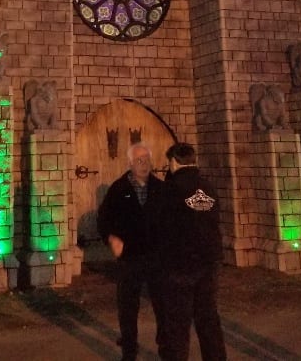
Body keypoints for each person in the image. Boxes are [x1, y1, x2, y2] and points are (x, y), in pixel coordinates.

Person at [147, 142, 226, 361]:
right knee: (208, 319)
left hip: (178, 265)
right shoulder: (208, 187)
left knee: (177, 325)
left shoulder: (169, 190)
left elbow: (157, 227)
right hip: (209, 262)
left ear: (173, 162)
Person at [96, 142, 165, 361]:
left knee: (162, 303)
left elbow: (171, 220)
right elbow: (104, 219)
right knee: (128, 306)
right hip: (130, 257)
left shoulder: (160, 188)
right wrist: (111, 238)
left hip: (156, 256)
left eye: (146, 160)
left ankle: (166, 347)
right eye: (139, 160)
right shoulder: (119, 189)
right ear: (130, 163)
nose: (143, 164)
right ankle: (129, 349)